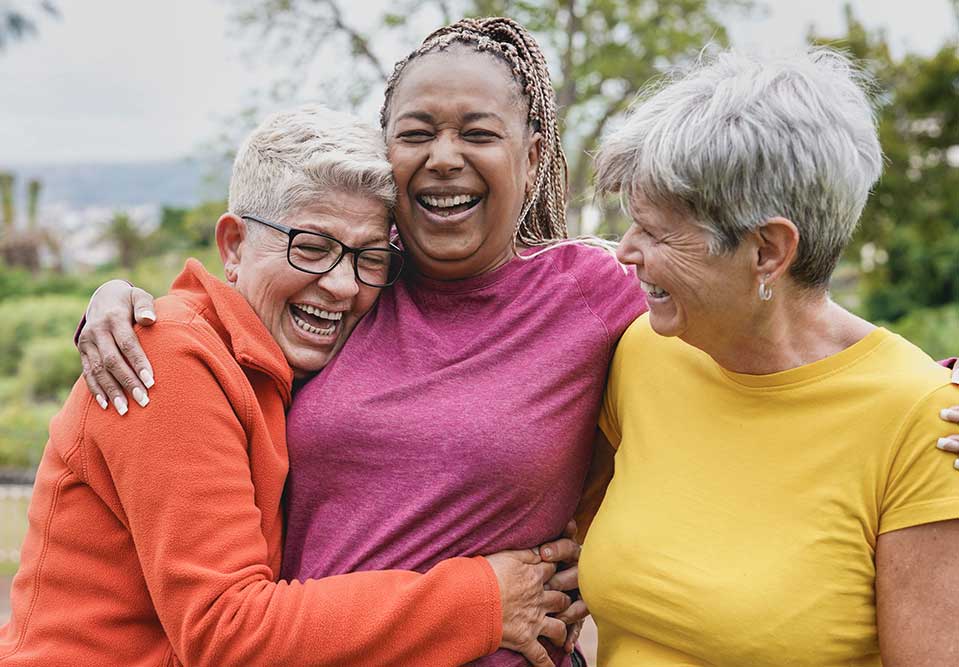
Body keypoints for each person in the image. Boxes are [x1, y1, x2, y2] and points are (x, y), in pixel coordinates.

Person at [70, 19, 959, 667]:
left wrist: (932, 389)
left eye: (478, 133)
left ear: (533, 158)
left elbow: (768, 320)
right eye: (415, 133)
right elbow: (235, 308)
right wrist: (122, 304)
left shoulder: (597, 297)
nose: (443, 156)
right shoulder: (353, 284)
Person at [0, 104, 582, 667]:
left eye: (368, 258)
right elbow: (226, 629)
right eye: (311, 248)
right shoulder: (169, 359)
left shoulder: (287, 359)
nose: (342, 285)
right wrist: (481, 600)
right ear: (233, 246)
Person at [579, 48, 959, 665]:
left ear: (767, 252)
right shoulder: (644, 350)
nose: (625, 250)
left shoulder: (925, 423)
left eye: (656, 231)